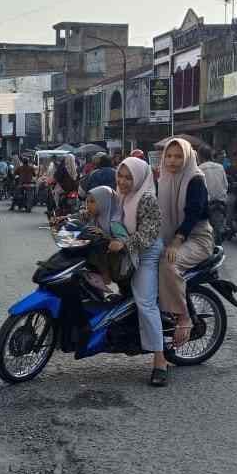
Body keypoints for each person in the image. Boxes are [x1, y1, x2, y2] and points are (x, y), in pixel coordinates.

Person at [104, 157, 165, 387]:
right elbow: (99, 208)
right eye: (120, 176)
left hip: (146, 252)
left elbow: (149, 232)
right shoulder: (119, 195)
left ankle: (160, 361)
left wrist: (125, 243)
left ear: (139, 178)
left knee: (145, 303)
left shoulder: (147, 198)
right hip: (128, 249)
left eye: (128, 177)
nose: (122, 181)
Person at [157, 138, 213, 373]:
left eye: (178, 156)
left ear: (188, 158)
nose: (172, 161)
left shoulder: (195, 179)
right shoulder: (163, 179)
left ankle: (184, 317)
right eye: (169, 156)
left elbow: (193, 214)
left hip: (197, 238)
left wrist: (176, 243)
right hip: (172, 237)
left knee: (167, 264)